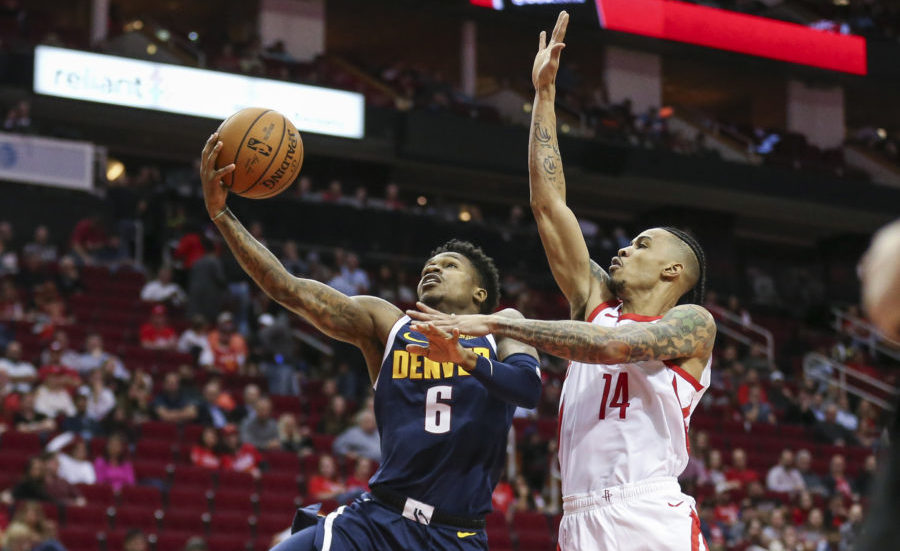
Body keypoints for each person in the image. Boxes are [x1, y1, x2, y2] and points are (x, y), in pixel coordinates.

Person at [407, 12, 714, 551]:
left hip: (646, 512)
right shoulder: (592, 301)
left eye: (643, 244)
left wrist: (496, 324)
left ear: (674, 272)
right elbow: (549, 206)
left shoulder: (690, 324)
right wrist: (543, 96)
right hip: (576, 515)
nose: (623, 247)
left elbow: (616, 346)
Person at [200, 131, 541, 551]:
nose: (431, 269)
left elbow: (528, 390)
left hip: (456, 533)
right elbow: (290, 289)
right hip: (375, 522)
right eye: (428, 266)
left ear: (480, 294)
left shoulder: (502, 325)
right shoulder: (387, 323)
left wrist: (466, 359)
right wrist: (222, 216)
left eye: (449, 265)